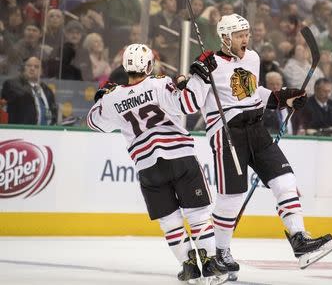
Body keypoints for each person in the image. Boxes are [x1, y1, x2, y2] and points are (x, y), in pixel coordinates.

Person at [186, 14, 332, 281]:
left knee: (286, 180)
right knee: (231, 197)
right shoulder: (209, 64)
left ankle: (299, 239)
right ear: (225, 38)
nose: (246, 38)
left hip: (257, 129)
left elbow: (254, 93)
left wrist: (282, 98)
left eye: (246, 33)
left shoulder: (253, 58)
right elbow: (191, 102)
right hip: (227, 132)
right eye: (239, 34)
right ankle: (220, 252)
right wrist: (196, 73)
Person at [86, 44, 227, 284]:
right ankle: (211, 263)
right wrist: (196, 79)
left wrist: (100, 99)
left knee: (169, 219)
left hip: (147, 166)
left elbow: (94, 123)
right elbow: (189, 104)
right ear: (149, 65)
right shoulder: (159, 83)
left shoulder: (113, 98)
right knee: (197, 213)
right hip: (180, 157)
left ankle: (189, 267)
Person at [1, 56, 57, 125]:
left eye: (36, 67)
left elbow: (53, 112)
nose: (32, 68)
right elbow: (22, 95)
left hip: (46, 132)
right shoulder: (12, 84)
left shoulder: (47, 90)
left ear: (41, 71)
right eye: (29, 65)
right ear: (24, 68)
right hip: (21, 132)